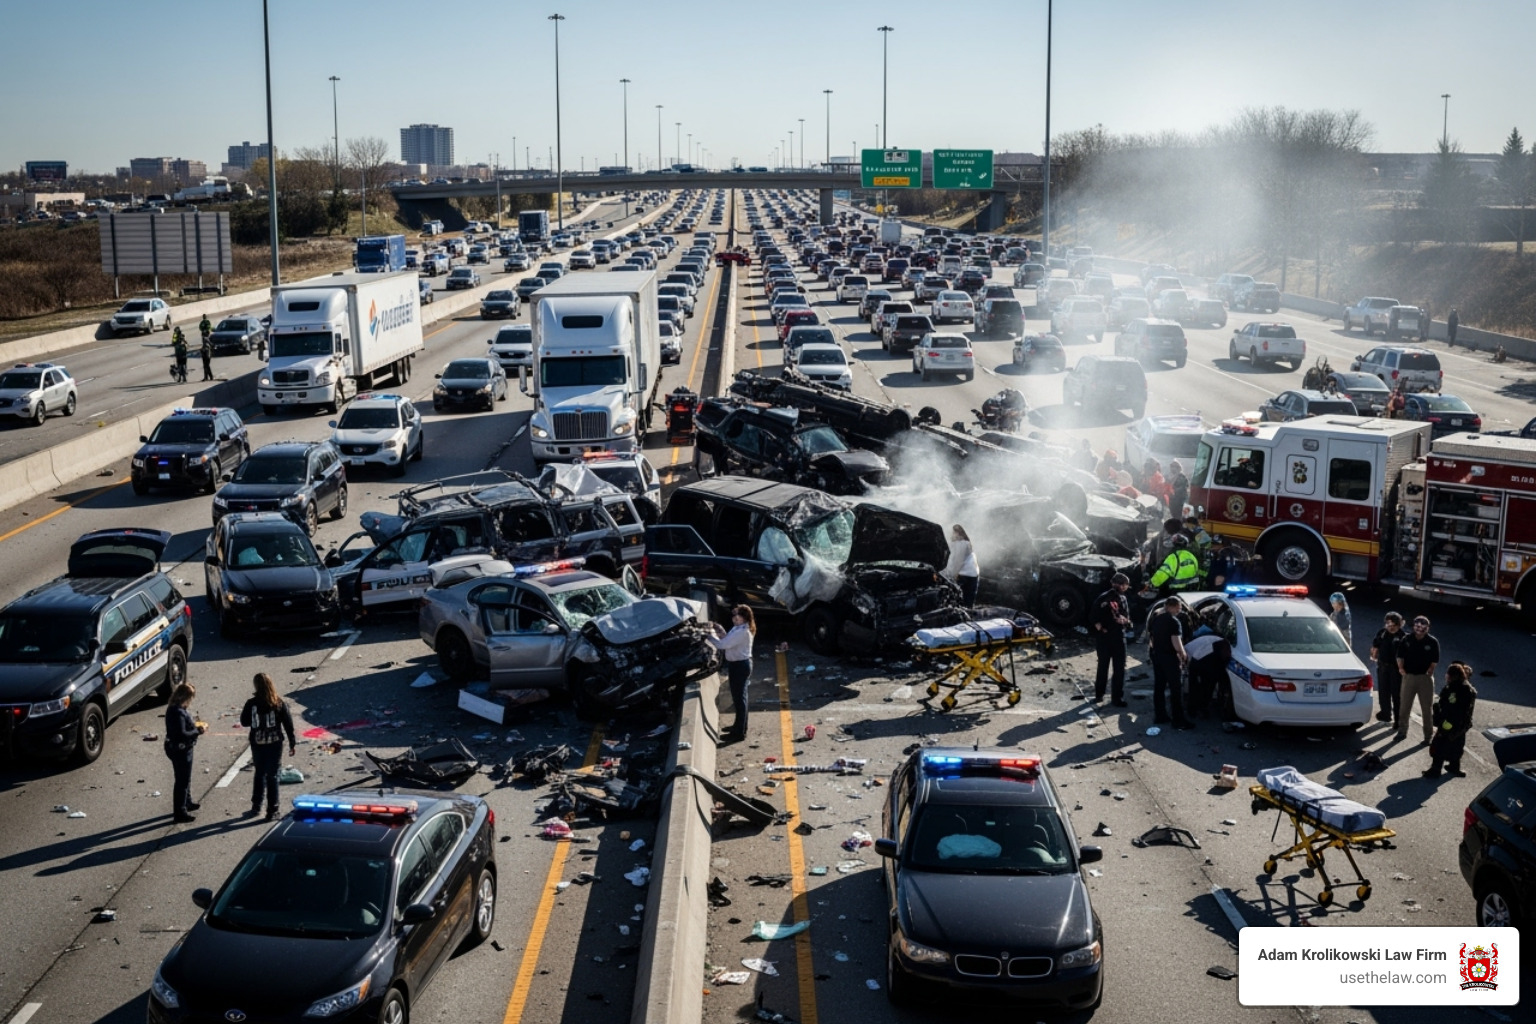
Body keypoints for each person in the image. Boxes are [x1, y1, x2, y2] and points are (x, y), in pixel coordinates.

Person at [241, 672, 297, 820]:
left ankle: (256, 806)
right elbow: (288, 724)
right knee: (272, 776)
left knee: (259, 773)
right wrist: (292, 742)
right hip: (275, 743)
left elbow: (244, 722)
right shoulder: (278, 703)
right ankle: (272, 810)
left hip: (258, 743)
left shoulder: (251, 703)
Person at [710, 605, 756, 742]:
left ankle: (739, 733)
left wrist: (707, 636)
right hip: (739, 664)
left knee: (739, 699)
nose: (734, 619)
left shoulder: (742, 631)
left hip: (739, 666)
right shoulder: (739, 628)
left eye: (738, 617)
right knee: (741, 698)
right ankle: (739, 727)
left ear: (744, 617)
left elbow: (723, 645)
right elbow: (727, 639)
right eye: (734, 616)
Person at [1424, 661, 1476, 778]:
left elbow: (1449, 708)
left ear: (1453, 676)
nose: (1446, 676)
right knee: (1457, 746)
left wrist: (1439, 716)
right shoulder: (1469, 689)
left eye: (1448, 674)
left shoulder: (1453, 690)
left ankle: (1435, 770)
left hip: (1450, 723)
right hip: (1462, 726)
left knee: (1439, 746)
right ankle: (1454, 767)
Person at [1147, 597, 1193, 729]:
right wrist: (1183, 655)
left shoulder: (1156, 617)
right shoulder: (1174, 622)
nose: (1180, 610)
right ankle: (1178, 720)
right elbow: (1176, 643)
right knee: (1175, 688)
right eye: (1179, 607)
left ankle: (1160, 715)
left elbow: (1152, 639)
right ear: (1172, 607)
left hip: (1157, 655)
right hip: (1170, 658)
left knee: (1159, 686)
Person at [1395, 615, 1440, 746]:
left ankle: (1428, 736)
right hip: (1409, 677)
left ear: (1427, 628)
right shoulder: (1406, 639)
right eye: (1417, 626)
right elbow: (1400, 655)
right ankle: (1402, 732)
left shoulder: (1432, 641)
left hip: (1425, 678)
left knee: (1427, 708)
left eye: (1423, 626)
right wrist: (1401, 668)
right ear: (1413, 626)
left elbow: (1434, 660)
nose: (1419, 628)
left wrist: (1430, 670)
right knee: (1404, 706)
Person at [164, 682, 205, 823]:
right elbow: (182, 733)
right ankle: (180, 811)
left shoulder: (175, 709)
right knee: (182, 781)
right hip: (180, 749)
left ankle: (187, 801)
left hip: (179, 747)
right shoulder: (178, 712)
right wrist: (197, 731)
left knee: (185, 778)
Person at [1090, 573, 1132, 706]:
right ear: (1121, 585)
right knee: (1113, 667)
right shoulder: (1106, 599)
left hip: (1113, 637)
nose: (1125, 588)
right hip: (1112, 637)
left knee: (1109, 667)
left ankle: (1104, 695)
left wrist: (1124, 621)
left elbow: (1127, 619)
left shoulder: (1120, 599)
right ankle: (1111, 697)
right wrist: (1102, 628)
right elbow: (1094, 618)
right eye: (1125, 585)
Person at [1184, 619, 1232, 719]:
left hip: (1204, 659)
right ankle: (1201, 708)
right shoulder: (1213, 640)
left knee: (1197, 685)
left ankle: (1194, 709)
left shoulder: (1190, 646)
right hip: (1205, 660)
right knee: (1207, 685)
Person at [1370, 612, 1405, 725]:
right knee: (1383, 691)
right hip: (1383, 667)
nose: (1390, 627)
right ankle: (1385, 714)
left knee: (1397, 694)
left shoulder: (1403, 636)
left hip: (1396, 669)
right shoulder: (1382, 633)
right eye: (1388, 624)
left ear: (1398, 624)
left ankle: (1398, 719)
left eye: (1393, 624)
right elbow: (1375, 646)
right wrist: (1374, 656)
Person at [944, 524, 980, 607]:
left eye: (953, 532)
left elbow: (957, 562)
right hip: (973, 575)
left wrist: (950, 576)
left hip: (963, 575)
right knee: (968, 602)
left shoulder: (962, 544)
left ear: (958, 533)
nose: (951, 535)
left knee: (955, 601)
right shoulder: (966, 543)